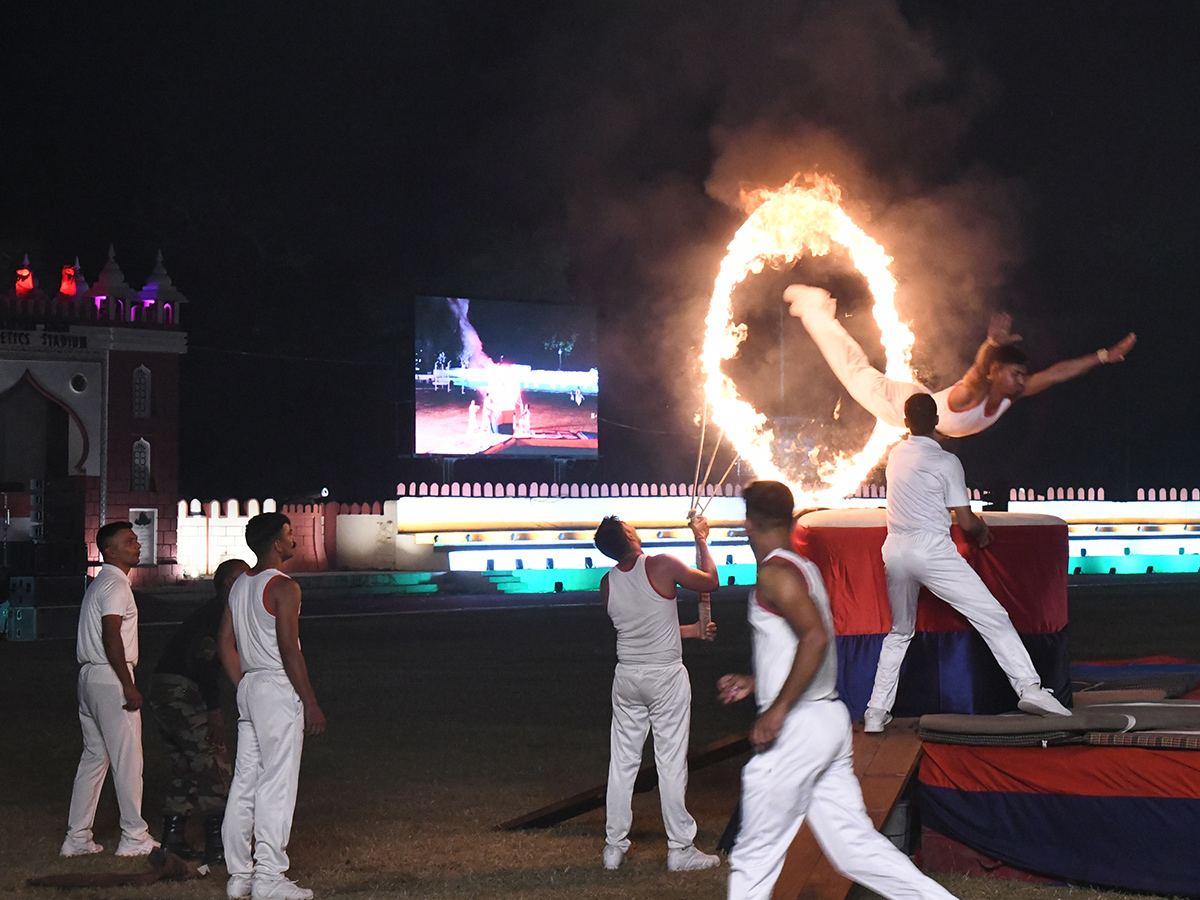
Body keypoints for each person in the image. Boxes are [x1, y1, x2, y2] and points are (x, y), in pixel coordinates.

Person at [719, 480, 960, 900]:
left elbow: (814, 639)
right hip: (826, 719)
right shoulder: (805, 569)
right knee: (854, 849)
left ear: (748, 523)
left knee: (754, 855)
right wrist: (759, 682)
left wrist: (776, 709)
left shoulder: (775, 573)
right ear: (791, 518)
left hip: (798, 727)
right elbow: (808, 644)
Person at [864, 393, 1070, 732]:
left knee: (900, 632)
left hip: (895, 551)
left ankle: (875, 713)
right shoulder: (946, 462)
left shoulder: (897, 454)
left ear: (905, 423)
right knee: (992, 616)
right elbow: (966, 521)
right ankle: (1029, 688)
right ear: (937, 421)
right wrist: (983, 532)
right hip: (932, 551)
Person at [784, 284, 1136, 437]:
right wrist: (990, 343)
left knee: (857, 370)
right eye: (1015, 373)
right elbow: (977, 370)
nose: (1021, 380)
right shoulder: (973, 392)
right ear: (995, 371)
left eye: (1022, 375)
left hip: (922, 413)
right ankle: (816, 309)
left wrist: (1104, 356)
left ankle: (820, 312)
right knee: (854, 371)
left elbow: (1058, 373)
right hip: (903, 406)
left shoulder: (1011, 394)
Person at [592, 513, 721, 872]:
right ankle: (680, 848)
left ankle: (613, 847)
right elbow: (711, 581)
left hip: (627, 678)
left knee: (622, 763)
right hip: (665, 677)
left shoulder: (607, 584)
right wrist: (701, 539)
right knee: (670, 762)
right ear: (629, 534)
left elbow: (644, 627)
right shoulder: (661, 564)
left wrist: (693, 631)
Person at [219, 514, 326, 900]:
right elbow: (288, 649)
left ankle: (239, 875)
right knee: (277, 782)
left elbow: (225, 643)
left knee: (245, 781)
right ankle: (269, 875)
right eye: (288, 534)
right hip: (277, 687)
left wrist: (244, 685)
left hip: (251, 685)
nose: (294, 539)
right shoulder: (284, 587)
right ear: (275, 543)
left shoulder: (240, 585)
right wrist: (310, 701)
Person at [61, 521, 159, 858]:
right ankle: (133, 835)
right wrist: (128, 685)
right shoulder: (116, 586)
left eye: (135, 540)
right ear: (110, 550)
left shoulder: (99, 583)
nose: (137, 544)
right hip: (110, 677)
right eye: (129, 541)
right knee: (128, 759)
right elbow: (111, 634)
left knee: (94, 758)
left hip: (89, 677)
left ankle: (77, 837)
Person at [149, 557, 249, 863]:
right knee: (213, 762)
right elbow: (205, 665)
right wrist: (214, 710)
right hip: (183, 691)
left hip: (163, 688)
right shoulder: (220, 615)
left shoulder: (208, 611)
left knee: (185, 766)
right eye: (245, 577)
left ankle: (173, 840)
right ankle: (217, 846)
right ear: (230, 584)